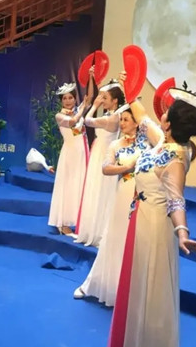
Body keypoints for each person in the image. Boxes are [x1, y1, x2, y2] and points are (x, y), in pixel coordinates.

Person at [107, 84, 196, 347]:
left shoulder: (175, 158)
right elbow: (141, 116)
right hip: (140, 219)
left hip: (154, 227)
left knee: (150, 292)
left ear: (168, 123)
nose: (161, 114)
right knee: (137, 288)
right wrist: (129, 86)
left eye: (167, 112)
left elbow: (176, 199)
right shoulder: (164, 141)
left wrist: (182, 232)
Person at [74, 104, 149, 305]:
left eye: (126, 120)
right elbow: (105, 168)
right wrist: (126, 167)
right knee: (115, 237)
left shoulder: (148, 145)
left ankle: (130, 292)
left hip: (142, 196)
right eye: (121, 119)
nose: (122, 123)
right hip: (122, 193)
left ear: (136, 123)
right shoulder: (116, 145)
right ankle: (102, 284)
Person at [75, 79, 125, 246]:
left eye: (105, 98)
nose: (102, 100)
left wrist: (94, 106)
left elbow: (88, 120)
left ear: (115, 100)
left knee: (101, 191)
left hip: (104, 155)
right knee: (95, 190)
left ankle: (99, 231)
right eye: (101, 97)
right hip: (99, 153)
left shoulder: (112, 118)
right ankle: (91, 228)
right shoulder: (111, 115)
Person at [48, 82, 90, 235]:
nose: (68, 101)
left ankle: (76, 221)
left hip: (81, 153)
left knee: (79, 186)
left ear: (74, 98)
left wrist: (91, 76)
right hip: (70, 154)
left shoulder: (78, 110)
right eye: (64, 98)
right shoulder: (60, 116)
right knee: (67, 186)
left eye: (70, 98)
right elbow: (73, 122)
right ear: (61, 101)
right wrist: (82, 109)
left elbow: (90, 97)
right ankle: (63, 223)